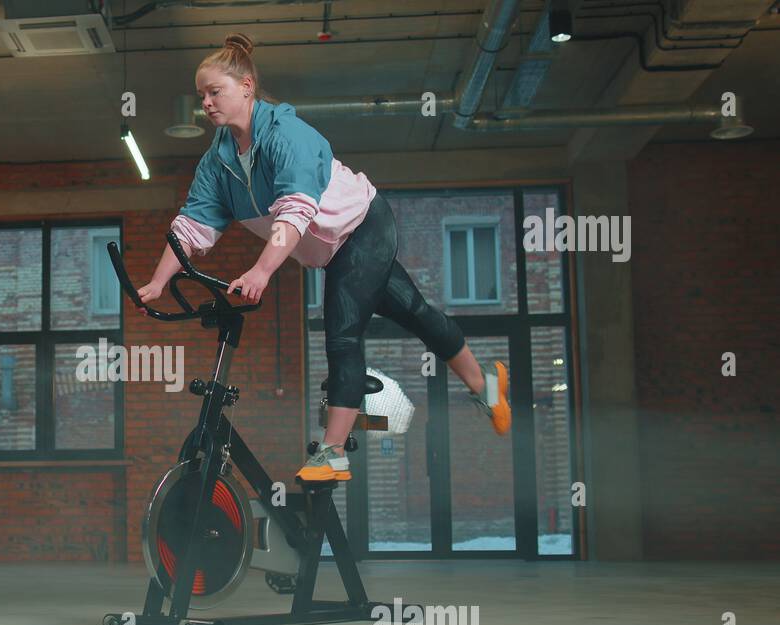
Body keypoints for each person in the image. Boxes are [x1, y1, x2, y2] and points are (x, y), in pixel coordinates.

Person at [137, 33, 511, 482]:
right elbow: (191, 227)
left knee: (341, 334)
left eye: (215, 91)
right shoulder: (217, 163)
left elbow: (296, 210)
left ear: (247, 86)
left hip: (364, 226)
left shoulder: (288, 135)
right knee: (414, 312)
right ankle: (487, 385)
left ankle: (332, 454)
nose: (207, 103)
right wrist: (159, 282)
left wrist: (262, 269)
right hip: (333, 250)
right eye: (202, 95)